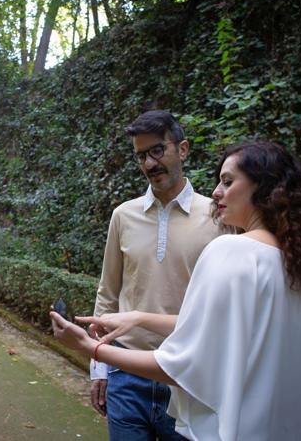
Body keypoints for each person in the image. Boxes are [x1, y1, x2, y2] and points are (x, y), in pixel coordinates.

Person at [52, 141, 301, 440]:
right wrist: (138, 317)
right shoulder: (295, 264)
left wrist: (90, 347)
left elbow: (178, 366)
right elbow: (219, 330)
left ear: (264, 188)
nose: (216, 192)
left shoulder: (229, 251)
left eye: (228, 182)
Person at [90, 110, 223, 440]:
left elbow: (226, 306)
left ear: (182, 149)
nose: (149, 164)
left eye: (157, 150)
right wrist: (99, 366)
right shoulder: (124, 215)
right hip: (127, 372)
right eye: (141, 156)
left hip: (189, 375)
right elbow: (108, 292)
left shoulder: (218, 217)